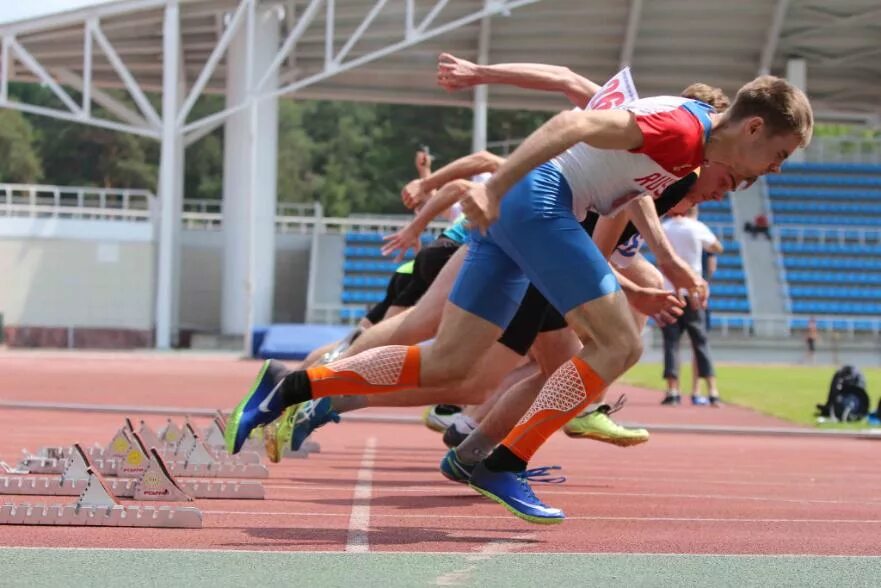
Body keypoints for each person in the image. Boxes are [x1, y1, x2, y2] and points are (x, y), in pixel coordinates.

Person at [227, 72, 812, 524]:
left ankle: (290, 385)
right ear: (753, 128)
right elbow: (570, 124)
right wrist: (498, 187)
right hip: (540, 200)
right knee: (619, 343)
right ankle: (504, 464)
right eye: (780, 156)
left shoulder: (697, 132)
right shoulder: (685, 130)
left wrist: (661, 255)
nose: (777, 171)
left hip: (526, 208)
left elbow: (619, 170)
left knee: (449, 363)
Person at [658, 206, 724, 406]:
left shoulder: (665, 226)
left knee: (671, 343)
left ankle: (672, 391)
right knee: (700, 342)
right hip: (693, 291)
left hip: (670, 291)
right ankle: (712, 391)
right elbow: (717, 247)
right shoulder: (697, 227)